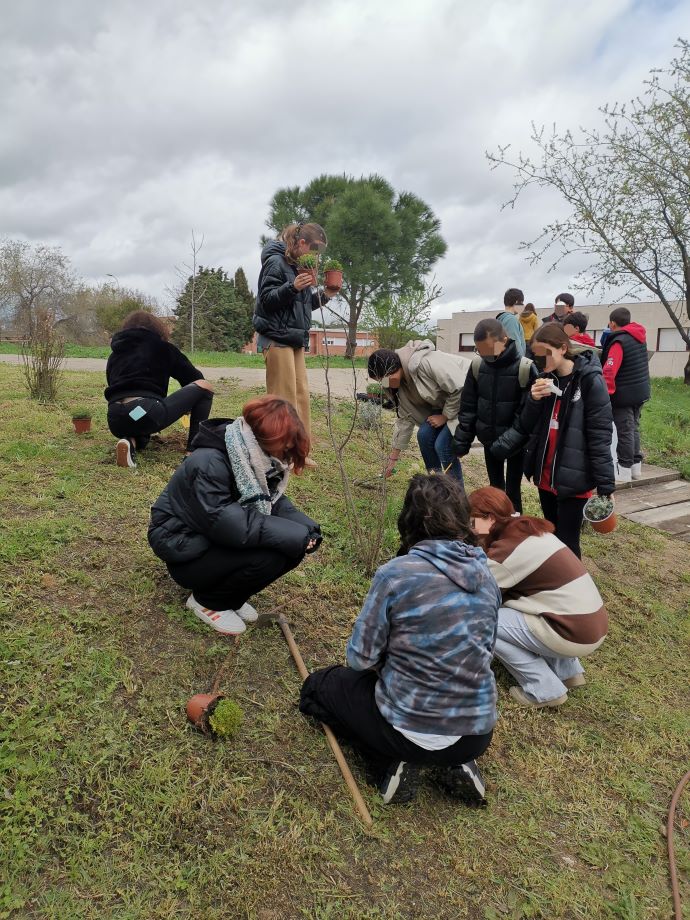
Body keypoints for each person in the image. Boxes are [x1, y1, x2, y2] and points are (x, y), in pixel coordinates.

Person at [299, 474, 500, 805]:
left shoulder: (397, 574)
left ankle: (392, 763)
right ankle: (455, 759)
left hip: (406, 727)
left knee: (319, 688)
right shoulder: (486, 577)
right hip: (475, 734)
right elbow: (487, 650)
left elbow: (359, 659)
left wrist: (393, 660)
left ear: (410, 518)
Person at [148, 396, 322, 635]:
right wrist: (293, 534)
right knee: (271, 552)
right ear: (266, 439)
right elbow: (224, 522)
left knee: (293, 547)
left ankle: (231, 597)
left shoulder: (256, 456)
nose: (287, 455)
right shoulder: (209, 461)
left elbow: (274, 502)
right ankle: (207, 601)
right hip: (183, 548)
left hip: (210, 539)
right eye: (286, 447)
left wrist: (306, 528)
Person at [468, 487, 608, 708]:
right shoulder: (525, 528)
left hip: (571, 631)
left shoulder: (510, 550)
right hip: (589, 625)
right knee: (523, 614)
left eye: (472, 522)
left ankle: (544, 690)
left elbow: (475, 589)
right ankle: (569, 672)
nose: (471, 529)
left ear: (490, 518)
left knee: (481, 622)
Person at [520, 323, 615, 558]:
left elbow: (600, 434)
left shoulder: (589, 380)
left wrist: (606, 484)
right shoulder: (543, 380)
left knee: (568, 540)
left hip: (575, 477)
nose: (540, 361)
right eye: (535, 355)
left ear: (563, 348)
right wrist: (532, 400)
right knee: (551, 532)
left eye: (545, 354)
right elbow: (527, 425)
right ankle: (556, 582)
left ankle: (574, 587)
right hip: (546, 474)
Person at [252, 223, 341, 469]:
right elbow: (266, 302)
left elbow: (303, 305)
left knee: (301, 397)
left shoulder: (298, 267)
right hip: (276, 337)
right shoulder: (275, 262)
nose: (316, 257)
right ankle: (278, 455)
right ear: (301, 243)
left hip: (294, 340)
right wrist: (292, 287)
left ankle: (299, 453)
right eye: (314, 250)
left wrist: (327, 294)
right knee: (283, 398)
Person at [104, 310, 214, 468]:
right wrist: (188, 403)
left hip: (116, 418)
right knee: (206, 387)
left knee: (140, 427)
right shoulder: (163, 348)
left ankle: (130, 442)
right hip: (142, 410)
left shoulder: (115, 355)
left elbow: (113, 383)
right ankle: (193, 452)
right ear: (157, 328)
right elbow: (195, 379)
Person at [453, 319, 537, 512]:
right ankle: (497, 526)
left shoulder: (525, 368)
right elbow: (468, 406)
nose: (485, 355)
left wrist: (509, 441)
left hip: (517, 443)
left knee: (513, 492)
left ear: (504, 340)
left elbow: (528, 412)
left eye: (489, 350)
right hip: (489, 441)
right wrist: (462, 440)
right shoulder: (477, 366)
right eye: (480, 351)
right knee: (495, 488)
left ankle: (514, 528)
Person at [367, 341, 471, 483]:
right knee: (424, 435)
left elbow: (461, 387)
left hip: (469, 397)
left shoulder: (427, 362)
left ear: (394, 368)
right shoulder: (395, 384)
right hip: (447, 404)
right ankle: (436, 485)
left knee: (442, 445)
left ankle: (457, 497)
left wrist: (445, 416)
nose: (384, 383)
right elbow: (404, 419)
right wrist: (392, 460)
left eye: (385, 379)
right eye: (380, 381)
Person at [601, 307, 651, 484]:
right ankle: (636, 468)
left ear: (612, 323)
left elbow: (609, 371)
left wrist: (604, 394)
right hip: (640, 392)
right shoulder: (639, 337)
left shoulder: (618, 342)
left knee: (624, 431)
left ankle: (623, 470)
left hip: (624, 395)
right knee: (633, 428)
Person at [496, 289, 526, 356]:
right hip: (515, 364)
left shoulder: (501, 318)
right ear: (517, 302)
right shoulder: (511, 320)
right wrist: (522, 363)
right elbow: (515, 347)